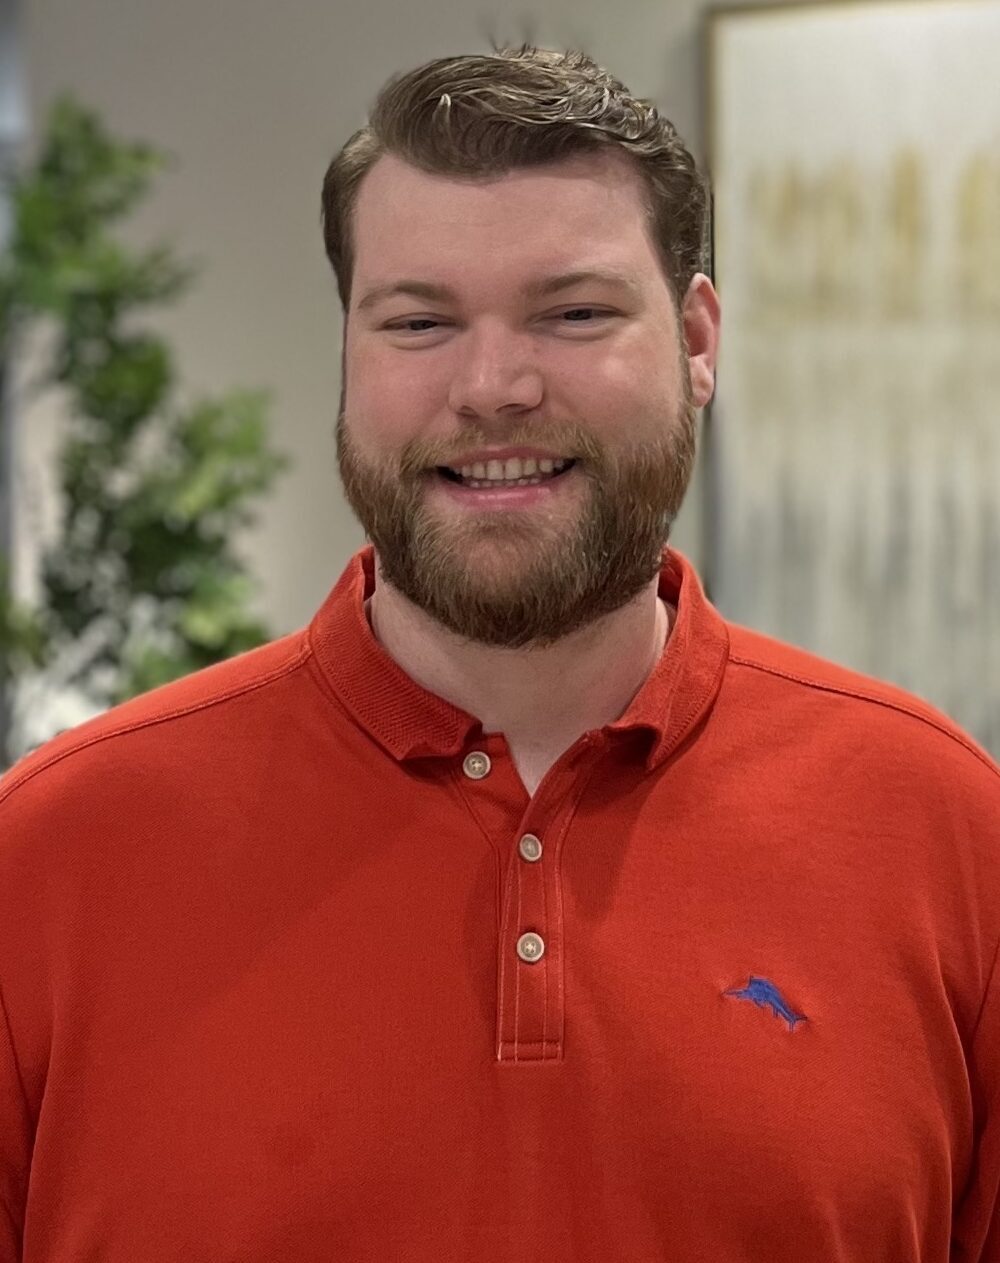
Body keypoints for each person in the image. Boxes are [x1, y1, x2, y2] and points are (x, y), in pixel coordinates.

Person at [1, 44, 999, 1263]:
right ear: (350, 353)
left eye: (573, 313)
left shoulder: (942, 825)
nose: (493, 386)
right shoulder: (49, 857)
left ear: (697, 339)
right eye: (418, 321)